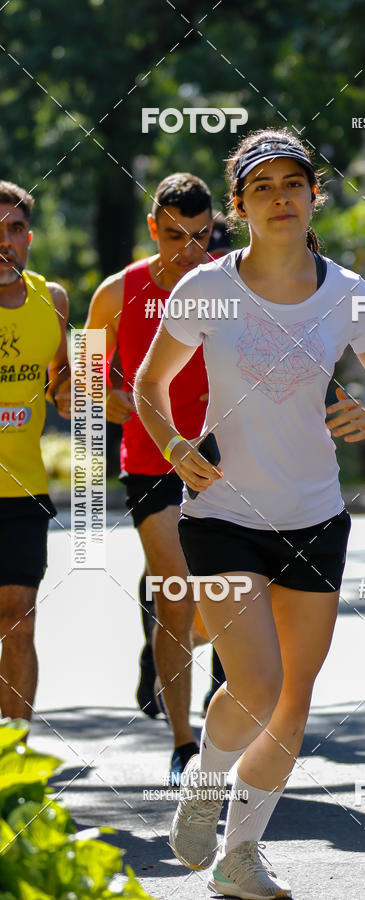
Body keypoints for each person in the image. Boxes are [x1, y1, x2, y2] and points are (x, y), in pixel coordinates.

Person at [135, 130, 365, 899]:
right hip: (222, 512)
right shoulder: (205, 289)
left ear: (313, 196)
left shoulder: (349, 293)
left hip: (316, 517)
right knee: (257, 686)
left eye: (292, 183)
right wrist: (170, 444)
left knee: (293, 704)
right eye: (260, 187)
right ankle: (205, 785)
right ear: (238, 205)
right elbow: (147, 384)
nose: (278, 197)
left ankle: (240, 856)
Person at [81, 173, 224, 783]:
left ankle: (225, 709)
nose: (187, 252)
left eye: (199, 237)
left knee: (227, 598)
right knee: (176, 591)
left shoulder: (235, 285)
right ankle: (184, 745)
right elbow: (84, 391)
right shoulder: (117, 294)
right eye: (173, 236)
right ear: (152, 228)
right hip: (151, 461)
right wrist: (139, 407)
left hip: (228, 456)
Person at [0, 180, 70, 725]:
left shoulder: (54, 300)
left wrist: (87, 392)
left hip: (24, 491)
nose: (5, 242)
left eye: (16, 229)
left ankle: (15, 758)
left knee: (20, 618)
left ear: (29, 237)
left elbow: (63, 384)